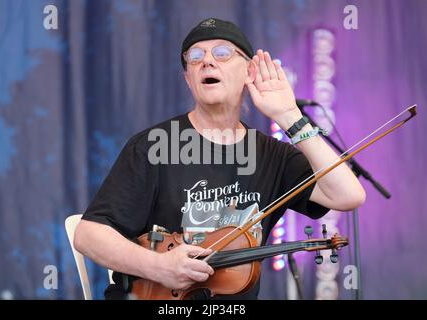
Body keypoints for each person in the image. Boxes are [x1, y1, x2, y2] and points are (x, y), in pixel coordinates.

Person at [74, 18, 366, 300]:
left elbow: (347, 196)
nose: (208, 61)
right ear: (189, 78)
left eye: (223, 53)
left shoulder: (273, 155)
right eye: (196, 56)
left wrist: (290, 117)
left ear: (249, 72)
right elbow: (89, 235)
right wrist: (159, 267)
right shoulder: (153, 146)